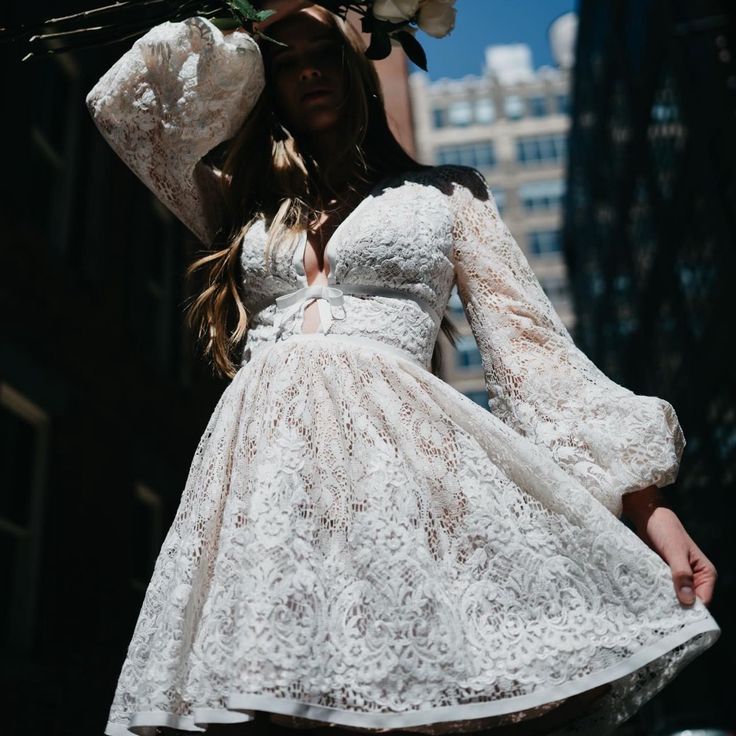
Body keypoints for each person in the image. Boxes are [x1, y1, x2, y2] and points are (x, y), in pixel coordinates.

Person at [86, 1, 720, 735]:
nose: (308, 70)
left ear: (359, 64)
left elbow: (535, 356)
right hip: (264, 480)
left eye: (321, 50)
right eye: (283, 61)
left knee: (402, 702)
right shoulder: (240, 201)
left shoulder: (448, 194)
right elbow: (124, 111)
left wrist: (649, 507)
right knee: (273, 705)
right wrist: (241, 23)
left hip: (403, 479)